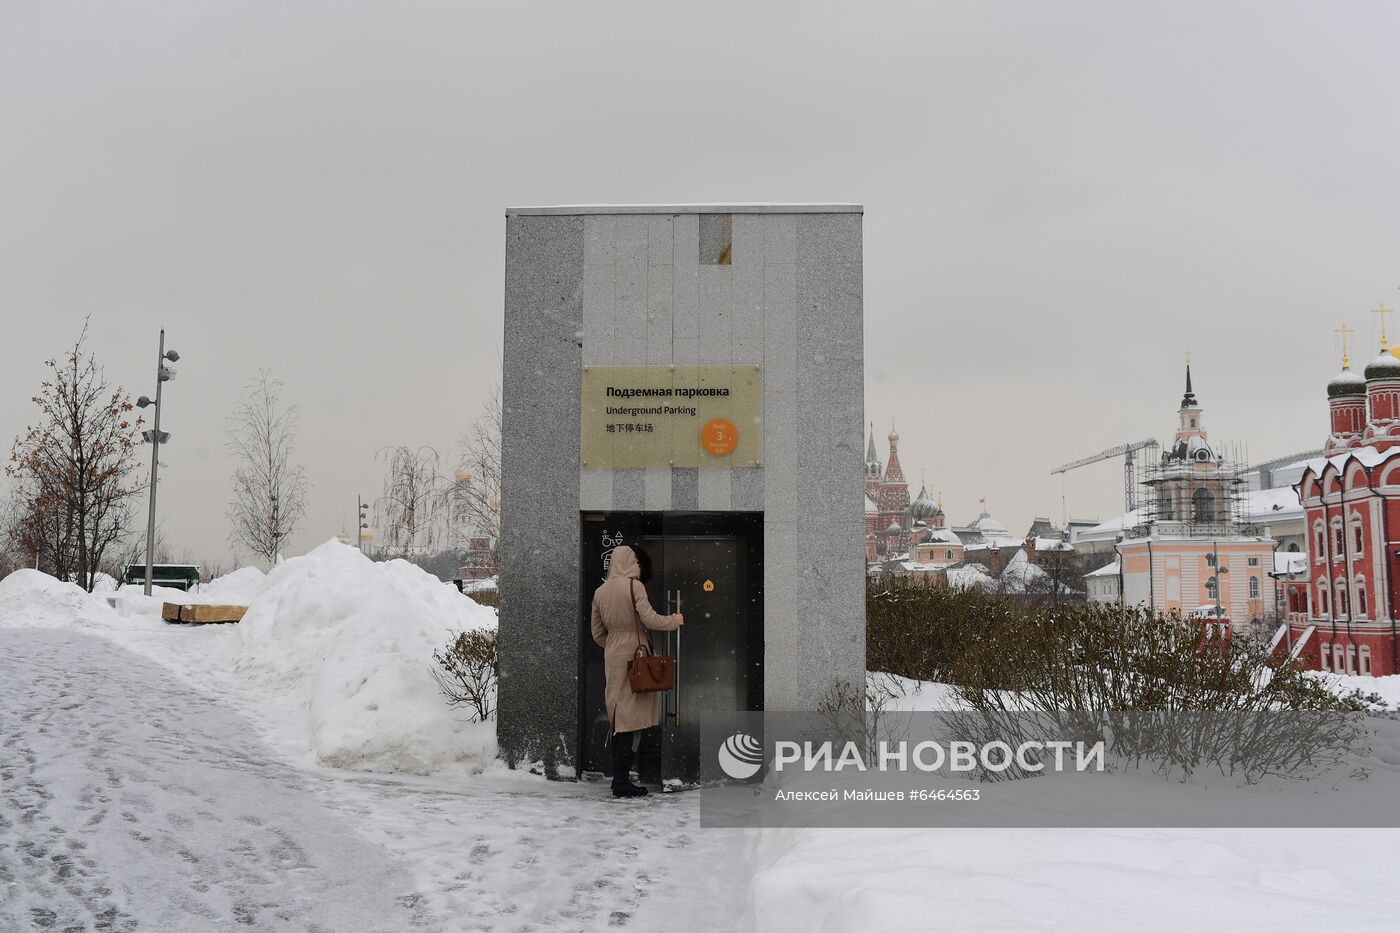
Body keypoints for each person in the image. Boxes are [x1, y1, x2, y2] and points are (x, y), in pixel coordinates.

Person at [590, 545, 683, 798]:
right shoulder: (634, 587)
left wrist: (614, 644)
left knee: (619, 716)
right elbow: (650, 618)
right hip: (635, 653)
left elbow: (597, 633)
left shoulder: (600, 591)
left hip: (613, 655)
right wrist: (673, 622)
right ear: (630, 563)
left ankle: (618, 779)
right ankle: (622, 783)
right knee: (631, 721)